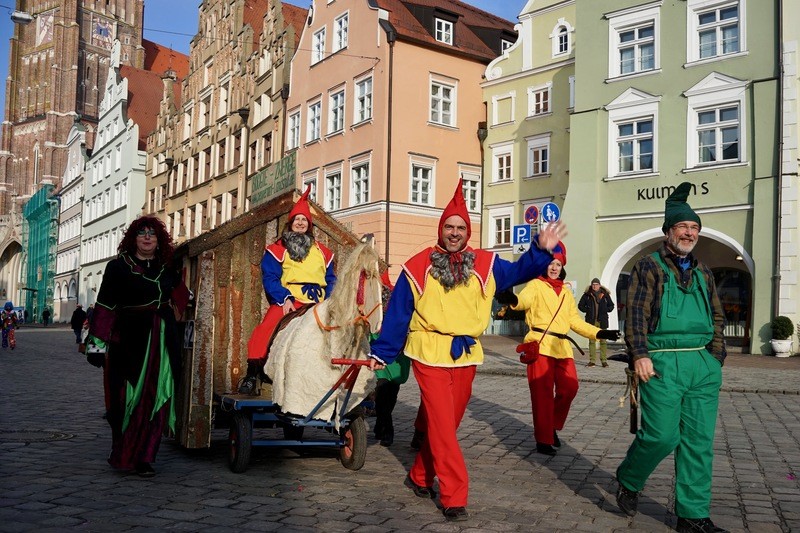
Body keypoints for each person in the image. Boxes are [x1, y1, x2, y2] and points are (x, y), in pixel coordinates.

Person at [368, 179, 566, 522]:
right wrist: (382, 352)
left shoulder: (487, 265)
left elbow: (520, 270)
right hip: (429, 351)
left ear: (468, 231)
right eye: (449, 226)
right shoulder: (417, 266)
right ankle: (454, 495)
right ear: (440, 229)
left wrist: (539, 247)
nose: (454, 232)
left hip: (466, 352)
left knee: (450, 423)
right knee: (442, 424)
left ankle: (418, 475)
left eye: (460, 227)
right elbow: (399, 312)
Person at [615, 182, 727, 533]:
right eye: (683, 227)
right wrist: (640, 355)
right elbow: (634, 314)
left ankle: (692, 515)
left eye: (694, 228)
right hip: (661, 362)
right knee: (661, 437)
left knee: (698, 442)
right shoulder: (648, 267)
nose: (689, 233)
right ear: (668, 232)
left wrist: (716, 356)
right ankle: (629, 478)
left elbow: (718, 316)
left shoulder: (704, 271)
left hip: (702, 364)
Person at [84, 215, 190, 477]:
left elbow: (184, 297)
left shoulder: (167, 269)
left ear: (159, 240)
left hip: (163, 343)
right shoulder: (117, 267)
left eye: (152, 234)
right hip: (129, 341)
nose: (147, 237)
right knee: (126, 399)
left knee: (155, 399)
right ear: (133, 238)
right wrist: (96, 344)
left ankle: (145, 457)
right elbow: (105, 305)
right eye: (142, 233)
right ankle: (122, 451)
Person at [505, 247, 619, 456]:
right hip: (539, 346)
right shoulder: (535, 285)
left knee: (570, 388)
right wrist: (512, 300)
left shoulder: (566, 292)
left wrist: (600, 333)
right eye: (551, 264)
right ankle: (543, 439)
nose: (554, 268)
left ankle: (551, 426)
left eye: (558, 264)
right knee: (542, 396)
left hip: (562, 348)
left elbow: (574, 320)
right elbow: (523, 301)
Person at [239, 185, 337, 395]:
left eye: (304, 220)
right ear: (290, 224)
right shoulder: (277, 249)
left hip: (318, 302)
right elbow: (271, 278)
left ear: (309, 225)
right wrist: (285, 299)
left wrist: (331, 302)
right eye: (296, 220)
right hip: (290, 300)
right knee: (265, 329)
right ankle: (252, 374)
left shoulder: (323, 252)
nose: (300, 223)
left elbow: (331, 280)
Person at [578, 278, 616, 367]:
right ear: (591, 285)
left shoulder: (605, 295)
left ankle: (604, 361)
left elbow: (611, 306)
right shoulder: (587, 295)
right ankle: (592, 361)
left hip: (602, 321)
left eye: (596, 284)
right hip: (591, 321)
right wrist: (587, 310)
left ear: (599, 285)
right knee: (592, 341)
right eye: (593, 284)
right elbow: (580, 306)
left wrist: (605, 310)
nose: (595, 286)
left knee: (603, 341)